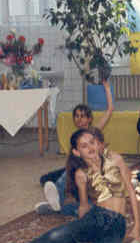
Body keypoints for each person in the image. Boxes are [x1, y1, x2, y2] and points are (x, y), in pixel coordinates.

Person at [4, 128, 140, 243]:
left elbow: (131, 191)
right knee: (55, 236)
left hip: (118, 224)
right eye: (84, 146)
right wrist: (78, 227)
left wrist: (137, 226)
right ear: (77, 152)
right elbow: (84, 206)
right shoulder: (81, 174)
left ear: (97, 143)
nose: (90, 147)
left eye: (92, 142)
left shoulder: (115, 158)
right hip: (96, 217)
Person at [38, 80, 114, 213]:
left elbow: (110, 110)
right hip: (76, 169)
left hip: (91, 171)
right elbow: (71, 160)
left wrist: (107, 89)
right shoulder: (75, 137)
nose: (79, 119)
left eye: (83, 116)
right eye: (77, 116)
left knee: (66, 175)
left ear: (89, 119)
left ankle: (57, 203)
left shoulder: (94, 131)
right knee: (47, 178)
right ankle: (58, 202)